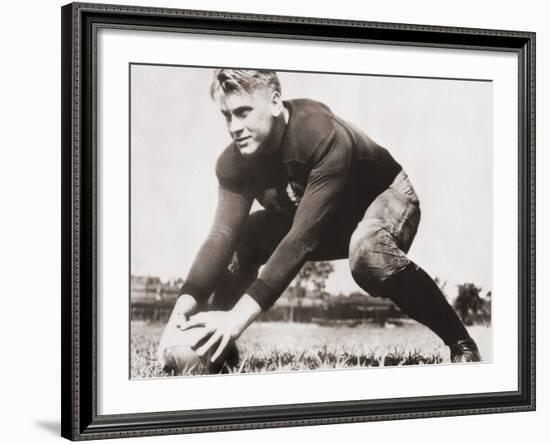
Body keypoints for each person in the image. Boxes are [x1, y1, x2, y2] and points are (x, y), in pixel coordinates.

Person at [158, 69, 481, 373]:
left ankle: (461, 343)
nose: (234, 127)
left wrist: (237, 319)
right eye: (226, 115)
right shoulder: (232, 162)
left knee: (368, 253)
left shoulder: (318, 132)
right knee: (243, 240)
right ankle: (218, 352)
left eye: (243, 112)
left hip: (379, 199)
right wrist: (180, 313)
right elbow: (220, 236)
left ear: (274, 102)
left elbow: (301, 239)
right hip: (317, 218)